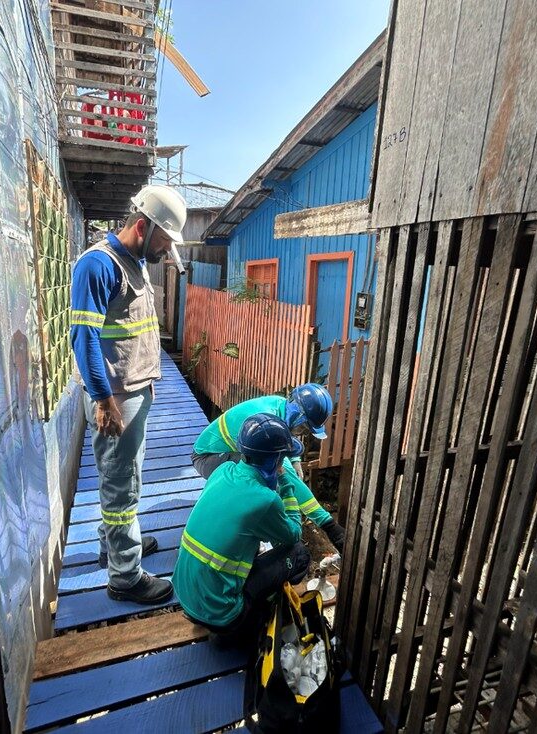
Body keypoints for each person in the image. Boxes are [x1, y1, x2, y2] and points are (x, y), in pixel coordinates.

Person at [69, 184, 187, 604]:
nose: (167, 249)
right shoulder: (99, 265)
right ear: (142, 226)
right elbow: (83, 338)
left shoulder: (134, 262)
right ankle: (125, 576)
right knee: (122, 485)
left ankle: (113, 545)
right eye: (165, 240)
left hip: (133, 392)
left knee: (123, 475)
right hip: (116, 399)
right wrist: (104, 400)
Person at [173, 414, 311, 643]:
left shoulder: (222, 471)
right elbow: (293, 534)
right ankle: (247, 619)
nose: (282, 465)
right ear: (273, 461)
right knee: (299, 553)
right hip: (224, 615)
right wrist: (286, 487)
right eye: (282, 459)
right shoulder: (265, 500)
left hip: (186, 596)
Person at [190, 384, 346, 552]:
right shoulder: (264, 419)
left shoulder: (281, 406)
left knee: (267, 477)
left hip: (226, 456)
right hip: (208, 458)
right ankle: (262, 534)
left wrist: (295, 459)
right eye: (304, 427)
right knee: (262, 476)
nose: (302, 433)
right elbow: (286, 475)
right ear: (297, 415)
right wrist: (329, 525)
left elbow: (286, 436)